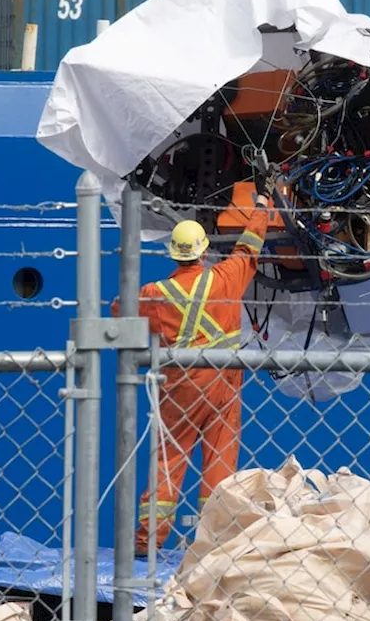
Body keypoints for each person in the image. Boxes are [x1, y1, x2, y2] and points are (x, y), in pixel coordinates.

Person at [112, 193, 271, 555]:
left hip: (180, 387)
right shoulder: (225, 278)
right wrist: (262, 208)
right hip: (223, 382)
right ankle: (214, 541)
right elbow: (248, 251)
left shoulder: (156, 293)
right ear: (203, 250)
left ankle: (147, 541)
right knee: (219, 459)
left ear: (173, 253)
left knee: (168, 458)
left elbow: (119, 308)